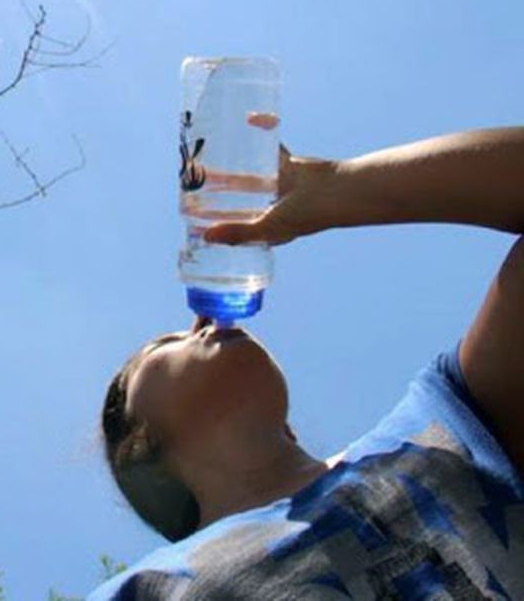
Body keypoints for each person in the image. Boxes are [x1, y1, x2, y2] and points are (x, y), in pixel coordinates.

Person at [92, 129, 524, 598]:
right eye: (166, 343)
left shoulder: (438, 427)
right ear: (138, 446)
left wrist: (337, 186)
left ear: (290, 430)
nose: (198, 322)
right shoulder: (147, 589)